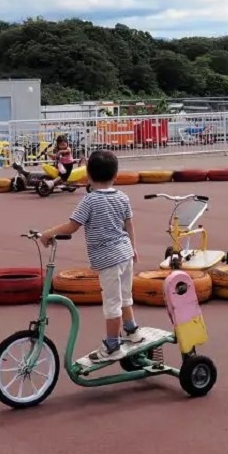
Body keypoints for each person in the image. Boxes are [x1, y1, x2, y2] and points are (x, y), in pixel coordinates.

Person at [40, 149, 143, 362]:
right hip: (125, 254)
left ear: (87, 175)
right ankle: (132, 331)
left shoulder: (90, 201)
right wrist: (133, 248)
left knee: (112, 302)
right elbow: (129, 224)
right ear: (115, 175)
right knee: (124, 296)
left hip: (109, 260)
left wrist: (48, 233)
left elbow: (72, 226)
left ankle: (113, 345)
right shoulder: (122, 197)